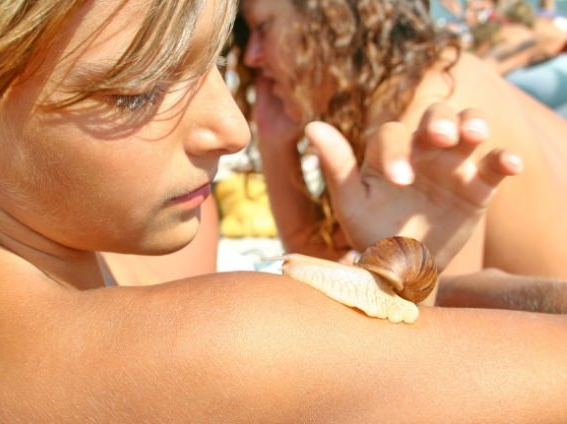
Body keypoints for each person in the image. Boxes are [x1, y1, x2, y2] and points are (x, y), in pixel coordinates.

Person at [0, 0, 567, 422]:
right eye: (137, 94)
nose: (231, 129)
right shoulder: (219, 346)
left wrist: (413, 286)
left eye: (210, 64)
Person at [241, 0, 567, 281]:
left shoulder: (424, 129)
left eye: (263, 28)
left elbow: (433, 333)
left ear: (328, 19)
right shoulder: (439, 71)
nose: (251, 57)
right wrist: (273, 138)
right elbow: (324, 260)